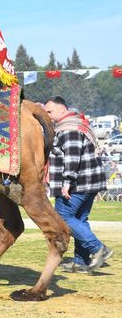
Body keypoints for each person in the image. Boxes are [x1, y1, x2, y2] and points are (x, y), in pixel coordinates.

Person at [44, 96, 113, 274]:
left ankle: (98, 249)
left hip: (78, 183)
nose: (48, 115)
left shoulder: (69, 129)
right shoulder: (78, 123)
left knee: (62, 217)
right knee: (80, 219)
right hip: (89, 181)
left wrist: (66, 183)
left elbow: (72, 158)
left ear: (61, 109)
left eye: (50, 111)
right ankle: (81, 262)